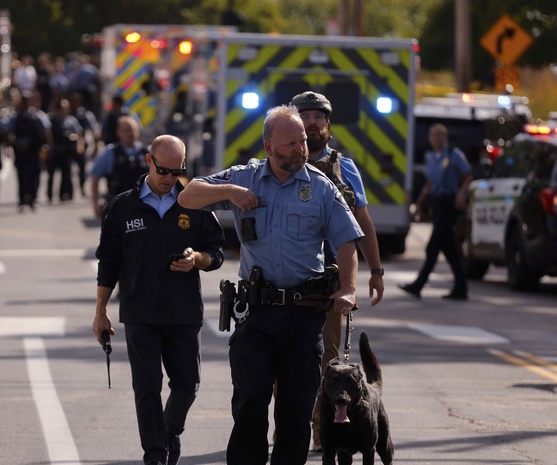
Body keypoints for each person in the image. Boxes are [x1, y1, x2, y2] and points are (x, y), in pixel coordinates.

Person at [177, 105, 363, 465]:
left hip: (303, 315)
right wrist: (230, 192)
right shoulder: (245, 178)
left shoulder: (321, 188)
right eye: (291, 143)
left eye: (303, 141)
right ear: (269, 147)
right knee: (249, 401)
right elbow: (188, 196)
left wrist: (349, 288)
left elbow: (347, 241)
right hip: (256, 315)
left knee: (295, 410)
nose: (300, 148)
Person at [93, 135, 225, 465]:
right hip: (140, 313)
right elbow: (108, 262)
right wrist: (100, 312)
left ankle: (169, 431)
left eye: (178, 171)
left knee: (187, 385)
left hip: (183, 313)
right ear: (149, 161)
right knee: (147, 387)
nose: (170, 178)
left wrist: (198, 259)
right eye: (164, 170)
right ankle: (155, 454)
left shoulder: (193, 203)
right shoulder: (123, 207)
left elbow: (217, 252)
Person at [290, 90, 385, 453]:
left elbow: (363, 222)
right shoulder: (278, 162)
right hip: (287, 281)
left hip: (330, 284)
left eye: (319, 118)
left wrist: (375, 271)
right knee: (284, 360)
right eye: (306, 117)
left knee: (328, 363)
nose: (313, 123)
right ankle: (287, 428)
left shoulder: (344, 168)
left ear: (328, 126)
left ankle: (322, 433)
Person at [399, 123, 472, 300]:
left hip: (449, 204)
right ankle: (461, 288)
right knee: (450, 251)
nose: (436, 138)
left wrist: (461, 194)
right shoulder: (431, 157)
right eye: (433, 135)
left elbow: (468, 176)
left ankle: (418, 285)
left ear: (445, 137)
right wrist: (418, 204)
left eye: (440, 135)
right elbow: (429, 183)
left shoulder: (454, 155)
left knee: (432, 247)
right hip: (437, 204)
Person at [90, 115, 148, 218]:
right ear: (118, 132)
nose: (130, 134)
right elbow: (95, 176)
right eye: (126, 130)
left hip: (143, 205)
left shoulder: (146, 152)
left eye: (133, 130)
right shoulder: (110, 152)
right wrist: (96, 202)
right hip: (117, 206)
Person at [6, 90, 48, 212]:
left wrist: (47, 147)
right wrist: (10, 146)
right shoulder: (15, 116)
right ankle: (22, 200)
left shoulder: (38, 115)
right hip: (20, 151)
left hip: (34, 150)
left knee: (34, 175)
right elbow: (8, 132)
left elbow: (45, 132)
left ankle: (33, 199)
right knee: (21, 176)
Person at [46, 98, 82, 202]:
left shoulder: (71, 121)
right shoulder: (50, 120)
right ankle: (50, 195)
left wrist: (79, 145)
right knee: (51, 174)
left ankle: (64, 194)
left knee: (66, 174)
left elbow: (79, 134)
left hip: (67, 150)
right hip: (54, 150)